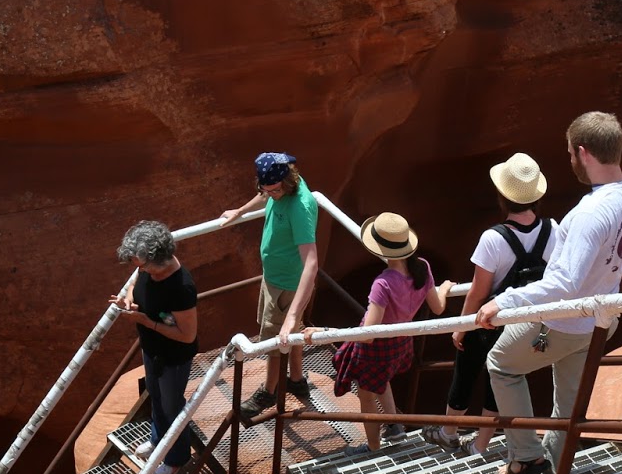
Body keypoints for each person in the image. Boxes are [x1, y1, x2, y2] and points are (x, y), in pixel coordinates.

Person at [476, 112, 622, 474]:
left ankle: (527, 458)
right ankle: (557, 465)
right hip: (601, 321)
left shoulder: (588, 212)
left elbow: (566, 283)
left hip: (560, 323)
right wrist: (616, 256)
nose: (571, 161)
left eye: (570, 154)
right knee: (568, 399)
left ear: (583, 152)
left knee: (502, 365)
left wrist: (505, 300)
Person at [426, 153, 558, 456]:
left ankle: (449, 433)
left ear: (502, 196)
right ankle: (480, 445)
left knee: (466, 370)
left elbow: (478, 292)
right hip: (528, 322)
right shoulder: (554, 230)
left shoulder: (492, 238)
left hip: (489, 320)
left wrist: (461, 327)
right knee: (503, 378)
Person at [311, 213, 451, 451]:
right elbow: (437, 307)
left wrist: (326, 331)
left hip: (375, 347)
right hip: (401, 341)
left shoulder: (383, 283)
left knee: (366, 396)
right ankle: (395, 427)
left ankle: (374, 446)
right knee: (381, 380)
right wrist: (445, 288)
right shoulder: (423, 268)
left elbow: (368, 333)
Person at [220, 152, 320, 420]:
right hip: (274, 278)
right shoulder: (281, 184)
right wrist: (240, 211)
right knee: (290, 334)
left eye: (275, 190)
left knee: (276, 342)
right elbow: (265, 195)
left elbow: (311, 264)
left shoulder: (300, 206)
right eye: (266, 188)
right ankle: (297, 379)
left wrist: (290, 316)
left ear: (287, 181)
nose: (270, 194)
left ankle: (269, 390)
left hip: (287, 285)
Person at [110, 220, 200, 474]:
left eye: (140, 264)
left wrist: (146, 322)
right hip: (152, 349)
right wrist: (128, 299)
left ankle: (176, 458)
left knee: (172, 406)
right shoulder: (149, 270)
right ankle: (158, 440)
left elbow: (187, 335)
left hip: (173, 358)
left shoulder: (181, 287)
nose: (137, 269)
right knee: (156, 398)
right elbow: (134, 283)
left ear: (157, 260)